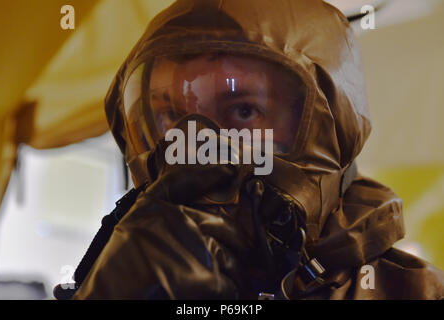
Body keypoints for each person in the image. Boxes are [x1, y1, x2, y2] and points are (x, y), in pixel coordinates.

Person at [59, 0, 444, 299]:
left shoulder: (416, 292)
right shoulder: (110, 274)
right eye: (171, 115)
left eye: (243, 110)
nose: (195, 148)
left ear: (333, 130)